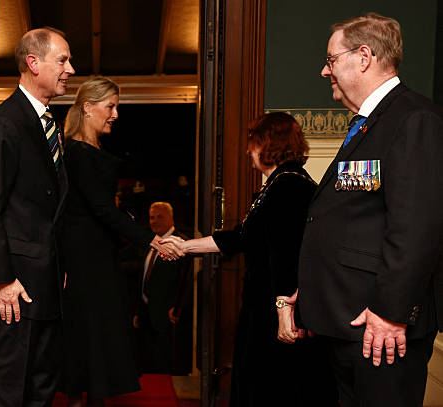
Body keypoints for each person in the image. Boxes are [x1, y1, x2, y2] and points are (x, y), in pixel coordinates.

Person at [297, 13, 443, 407]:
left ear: (363, 56)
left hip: (379, 325)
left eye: (331, 59)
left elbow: (418, 227)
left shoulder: (414, 119)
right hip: (349, 319)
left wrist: (389, 312)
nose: (325, 70)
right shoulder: (366, 123)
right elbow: (353, 219)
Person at [161, 112, 338, 406]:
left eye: (252, 142)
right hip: (265, 307)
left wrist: (283, 310)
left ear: (269, 143)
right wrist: (185, 246)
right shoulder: (277, 184)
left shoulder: (289, 186)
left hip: (278, 310)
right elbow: (240, 237)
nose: (247, 150)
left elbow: (287, 255)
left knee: (275, 389)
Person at [0, 27, 74, 407]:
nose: (70, 69)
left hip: (43, 283)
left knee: (40, 389)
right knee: (6, 392)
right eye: (62, 60)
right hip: (12, 290)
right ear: (33, 63)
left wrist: (55, 265)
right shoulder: (4, 123)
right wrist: (2, 280)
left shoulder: (46, 123)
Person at [60, 77, 181, 407]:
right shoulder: (78, 152)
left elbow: (103, 208)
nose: (115, 114)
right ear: (88, 107)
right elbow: (100, 209)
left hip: (99, 259)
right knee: (87, 343)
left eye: (116, 107)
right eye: (110, 106)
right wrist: (151, 240)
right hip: (85, 263)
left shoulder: (89, 150)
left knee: (97, 343)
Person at [133, 202, 192, 375]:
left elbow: (186, 280)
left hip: (169, 317)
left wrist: (178, 305)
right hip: (146, 315)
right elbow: (143, 278)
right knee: (147, 369)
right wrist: (138, 310)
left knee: (164, 369)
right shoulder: (149, 243)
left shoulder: (181, 243)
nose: (155, 221)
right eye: (152, 217)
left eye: (160, 216)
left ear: (171, 218)